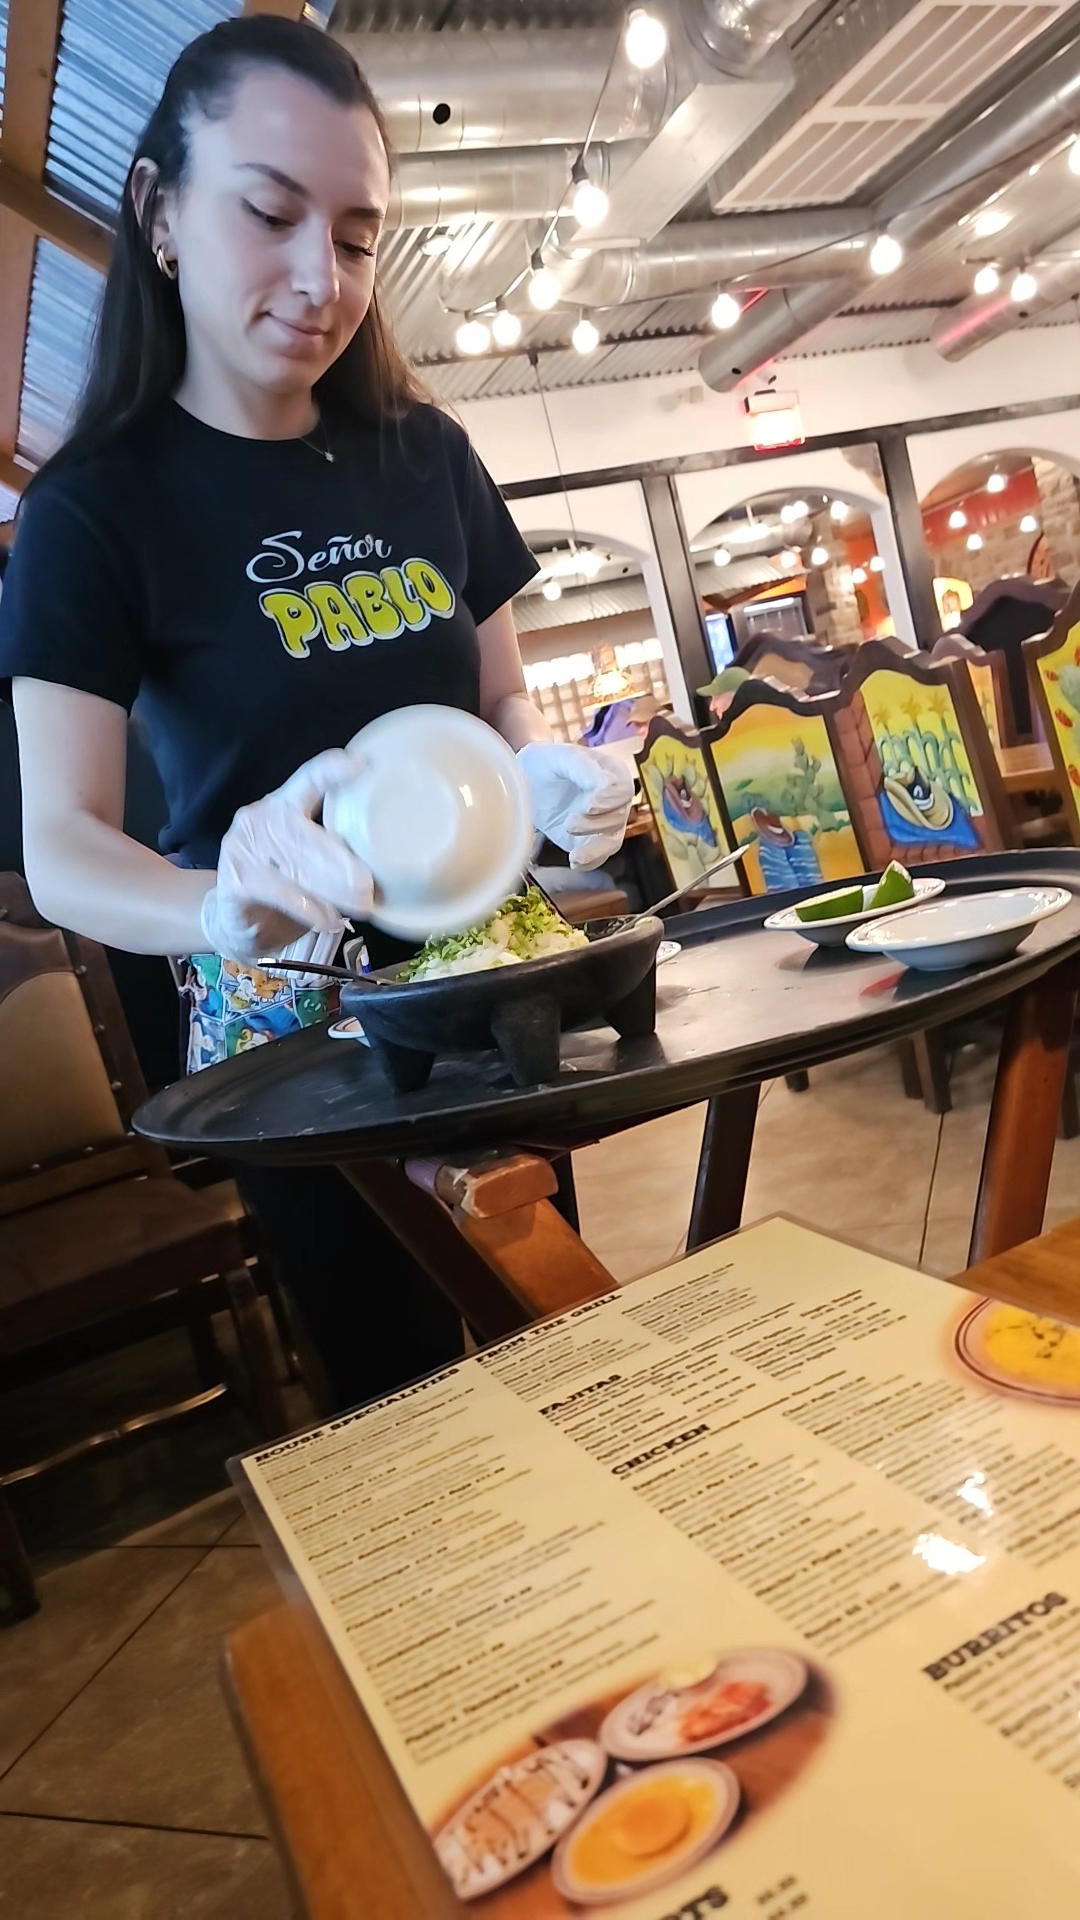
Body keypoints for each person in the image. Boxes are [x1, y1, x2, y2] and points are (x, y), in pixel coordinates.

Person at [0, 16, 633, 1409]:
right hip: (293, 1023)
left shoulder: (426, 454)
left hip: (489, 969)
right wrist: (218, 906)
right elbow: (63, 847)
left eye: (355, 238)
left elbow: (500, 694)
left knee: (563, 1351)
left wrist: (547, 772)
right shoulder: (93, 512)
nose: (320, 279)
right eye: (270, 214)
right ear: (161, 214)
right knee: (406, 1410)